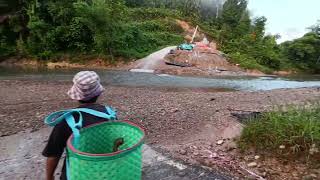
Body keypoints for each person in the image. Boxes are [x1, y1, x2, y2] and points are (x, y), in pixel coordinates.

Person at [42, 71, 111, 180]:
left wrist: (49, 177)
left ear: (77, 96)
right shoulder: (109, 114)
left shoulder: (67, 119)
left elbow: (53, 154)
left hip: (75, 173)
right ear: (98, 93)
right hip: (104, 171)